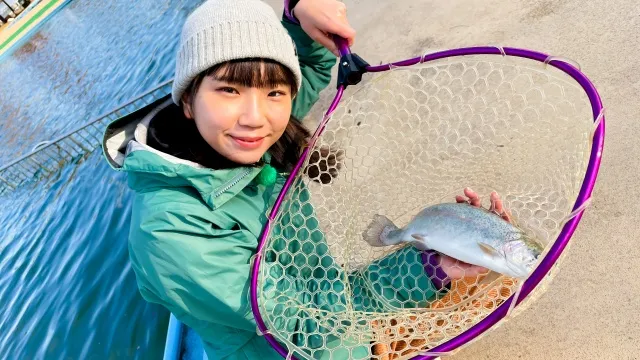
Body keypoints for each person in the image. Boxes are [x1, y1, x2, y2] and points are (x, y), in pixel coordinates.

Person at [102, 0, 511, 358]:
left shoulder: (239, 135)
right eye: (228, 90)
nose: (255, 117)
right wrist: (430, 267)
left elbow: (312, 63)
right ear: (188, 100)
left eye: (275, 93)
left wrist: (297, 11)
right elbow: (311, 325)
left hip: (331, 310)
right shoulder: (170, 234)